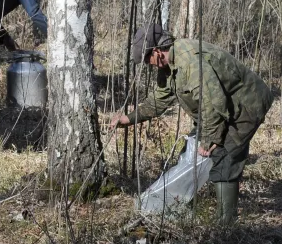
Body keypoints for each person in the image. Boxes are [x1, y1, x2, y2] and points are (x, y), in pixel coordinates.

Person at [110, 22, 274, 225]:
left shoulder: (190, 61)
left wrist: (210, 138)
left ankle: (226, 225)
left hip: (246, 104)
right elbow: (160, 99)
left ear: (157, 50)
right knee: (191, 153)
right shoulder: (169, 64)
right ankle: (180, 206)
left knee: (224, 156)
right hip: (218, 108)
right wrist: (129, 118)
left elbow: (213, 100)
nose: (148, 64)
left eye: (147, 59)